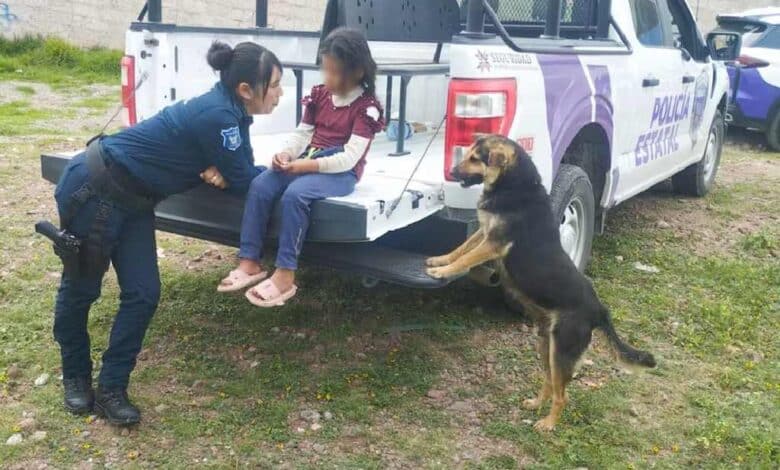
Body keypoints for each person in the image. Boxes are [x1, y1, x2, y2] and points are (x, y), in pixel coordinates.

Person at [50, 41, 283, 426]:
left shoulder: (232, 113)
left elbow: (236, 170)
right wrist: (278, 171)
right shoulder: (220, 117)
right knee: (82, 289)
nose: (279, 94)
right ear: (246, 89)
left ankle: (111, 388)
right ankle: (75, 375)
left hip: (137, 199)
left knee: (143, 294)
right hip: (95, 189)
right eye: (274, 85)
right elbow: (245, 178)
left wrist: (219, 169)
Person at [216, 28, 384, 307]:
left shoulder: (367, 107)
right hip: (308, 158)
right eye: (325, 70)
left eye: (335, 72)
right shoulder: (319, 95)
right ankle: (249, 261)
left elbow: (350, 157)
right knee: (261, 184)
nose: (327, 78)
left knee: (296, 195)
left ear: (357, 72)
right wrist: (285, 153)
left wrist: (306, 166)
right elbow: (303, 134)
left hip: (340, 172)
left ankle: (285, 274)